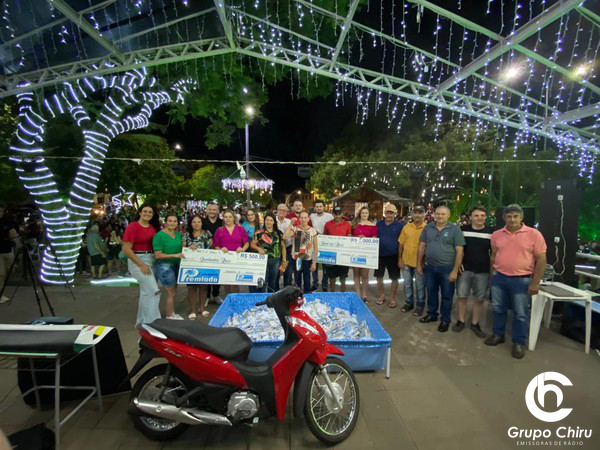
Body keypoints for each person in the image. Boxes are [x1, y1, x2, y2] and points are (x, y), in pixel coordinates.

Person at [485, 204, 547, 359]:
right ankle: (498, 334)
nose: (512, 219)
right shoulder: (497, 234)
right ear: (504, 218)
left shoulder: (534, 234)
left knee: (520, 313)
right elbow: (494, 255)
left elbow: (541, 260)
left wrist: (535, 282)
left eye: (515, 216)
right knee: (498, 308)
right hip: (499, 277)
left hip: (522, 279)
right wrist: (491, 275)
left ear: (521, 217)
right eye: (509, 216)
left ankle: (519, 342)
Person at [417, 205, 465, 332]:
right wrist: (419, 264)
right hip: (429, 267)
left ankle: (445, 320)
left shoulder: (455, 230)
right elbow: (422, 246)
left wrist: (455, 271)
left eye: (443, 214)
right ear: (434, 215)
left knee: (447, 296)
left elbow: (460, 252)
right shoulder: (428, 228)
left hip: (447, 269)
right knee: (431, 292)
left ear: (448, 215)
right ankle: (432, 314)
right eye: (437, 213)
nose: (440, 216)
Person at [453, 207, 492, 337]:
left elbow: (493, 253)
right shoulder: (463, 230)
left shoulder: (491, 232)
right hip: (465, 269)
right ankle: (461, 321)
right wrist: (458, 264)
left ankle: (475, 324)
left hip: (483, 270)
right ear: (471, 217)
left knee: (479, 298)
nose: (479, 218)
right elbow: (458, 249)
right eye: (476, 215)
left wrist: (491, 270)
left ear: (485, 217)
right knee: (462, 296)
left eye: (482, 215)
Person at [122, 203, 162, 325]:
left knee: (146, 293)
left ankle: (141, 323)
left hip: (151, 259)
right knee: (154, 291)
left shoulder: (152, 228)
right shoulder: (133, 227)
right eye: (145, 211)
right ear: (140, 212)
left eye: (150, 212)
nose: (147, 214)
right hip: (138, 260)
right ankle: (153, 323)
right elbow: (126, 249)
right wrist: (141, 264)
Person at [153, 212, 184, 320]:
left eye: (175, 221)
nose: (172, 223)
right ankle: (169, 316)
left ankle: (172, 312)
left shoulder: (178, 235)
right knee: (171, 292)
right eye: (170, 221)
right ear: (165, 222)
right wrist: (174, 255)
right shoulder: (159, 235)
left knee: (174, 291)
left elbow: (183, 248)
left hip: (177, 264)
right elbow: (158, 255)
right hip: (165, 266)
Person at [398, 206, 427, 316]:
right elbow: (401, 244)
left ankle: (420, 306)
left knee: (420, 286)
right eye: (415, 213)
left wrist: (423, 262)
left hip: (420, 263)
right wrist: (400, 258)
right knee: (407, 284)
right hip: (406, 261)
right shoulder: (406, 227)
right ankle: (409, 303)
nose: (417, 215)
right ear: (412, 214)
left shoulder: (427, 228)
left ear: (424, 214)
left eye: (420, 213)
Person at [212, 209, 249, 294]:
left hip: (237, 259)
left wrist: (242, 249)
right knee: (227, 282)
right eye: (226, 217)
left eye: (230, 217)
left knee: (235, 282)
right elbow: (215, 245)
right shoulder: (219, 230)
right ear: (223, 218)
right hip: (224, 260)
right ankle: (229, 298)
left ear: (234, 218)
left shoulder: (240, 229)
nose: (228, 219)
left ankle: (235, 299)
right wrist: (220, 250)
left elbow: (246, 243)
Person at [182, 215, 212, 319]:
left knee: (204, 287)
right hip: (191, 265)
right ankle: (192, 310)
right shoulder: (186, 234)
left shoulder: (207, 233)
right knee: (192, 288)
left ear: (202, 223)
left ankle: (202, 308)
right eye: (194, 222)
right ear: (191, 223)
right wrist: (189, 248)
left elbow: (212, 247)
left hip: (205, 264)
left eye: (199, 222)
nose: (196, 224)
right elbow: (183, 248)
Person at [375, 204, 403, 308]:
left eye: (391, 213)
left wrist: (400, 258)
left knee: (394, 278)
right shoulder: (378, 224)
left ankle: (392, 298)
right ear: (384, 213)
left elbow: (402, 243)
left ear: (395, 214)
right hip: (380, 255)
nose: (389, 215)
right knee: (379, 277)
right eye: (388, 212)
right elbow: (373, 237)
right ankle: (382, 295)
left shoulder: (400, 225)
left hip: (393, 255)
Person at [283, 210, 318, 293]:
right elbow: (284, 236)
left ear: (308, 219)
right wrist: (291, 224)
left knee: (307, 278)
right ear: (299, 219)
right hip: (296, 259)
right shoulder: (295, 229)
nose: (303, 219)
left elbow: (316, 248)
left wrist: (314, 262)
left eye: (305, 217)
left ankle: (306, 294)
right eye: (301, 217)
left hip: (307, 259)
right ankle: (298, 295)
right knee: (297, 278)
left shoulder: (312, 231)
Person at [252, 212, 287, 292]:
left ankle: (271, 297)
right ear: (264, 221)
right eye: (267, 220)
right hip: (263, 260)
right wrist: (258, 248)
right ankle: (261, 297)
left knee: (273, 282)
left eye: (271, 220)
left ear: (274, 222)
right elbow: (252, 244)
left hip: (276, 260)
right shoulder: (259, 233)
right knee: (262, 281)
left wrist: (284, 260)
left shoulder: (278, 233)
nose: (268, 222)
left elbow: (283, 247)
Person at [351, 206, 378, 303]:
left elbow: (374, 239)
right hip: (355, 252)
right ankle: (358, 294)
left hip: (366, 253)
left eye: (366, 213)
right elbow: (350, 237)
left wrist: (366, 239)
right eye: (363, 213)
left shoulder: (373, 226)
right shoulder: (355, 224)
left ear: (368, 214)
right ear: (360, 214)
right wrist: (356, 238)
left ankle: (364, 295)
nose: (364, 214)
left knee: (365, 275)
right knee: (356, 274)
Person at [323, 206, 352, 292]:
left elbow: (349, 238)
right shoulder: (328, 224)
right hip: (331, 254)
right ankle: (332, 293)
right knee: (332, 276)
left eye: (339, 214)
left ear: (342, 214)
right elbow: (325, 238)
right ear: (333, 214)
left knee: (343, 276)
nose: (337, 216)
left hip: (343, 254)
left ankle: (342, 293)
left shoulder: (347, 224)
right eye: (336, 214)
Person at [310, 199, 334, 291]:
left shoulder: (329, 216)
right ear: (314, 208)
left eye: (320, 206)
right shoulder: (311, 216)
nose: (319, 208)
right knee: (314, 264)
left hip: (325, 243)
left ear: (324, 207)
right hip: (314, 243)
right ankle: (315, 284)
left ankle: (324, 284)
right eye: (317, 206)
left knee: (325, 265)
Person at [203, 202, 224, 304]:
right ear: (207, 211)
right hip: (205, 252)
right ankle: (206, 296)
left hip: (218, 251)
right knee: (206, 274)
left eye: (214, 209)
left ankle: (216, 294)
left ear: (218, 211)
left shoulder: (222, 222)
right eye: (210, 209)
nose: (212, 211)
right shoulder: (202, 222)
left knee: (217, 273)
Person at [0, 207, 18, 304]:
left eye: (1, 211)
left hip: (8, 249)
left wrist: (17, 241)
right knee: (1, 274)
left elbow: (13, 233)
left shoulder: (6, 222)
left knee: (10, 269)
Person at [276, 204, 293, 288]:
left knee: (287, 271)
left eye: (284, 210)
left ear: (287, 212)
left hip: (288, 250)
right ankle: (275, 291)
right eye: (280, 209)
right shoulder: (272, 220)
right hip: (276, 250)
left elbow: (293, 234)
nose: (282, 212)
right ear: (277, 210)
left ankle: (287, 291)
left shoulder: (289, 222)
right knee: (276, 272)